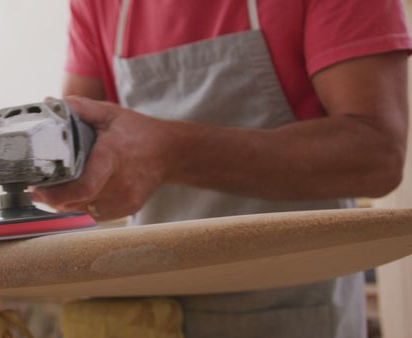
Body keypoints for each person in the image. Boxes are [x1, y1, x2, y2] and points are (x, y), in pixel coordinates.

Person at [33, 0, 411, 337]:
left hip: (292, 311)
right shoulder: (96, 5)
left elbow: (377, 153)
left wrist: (172, 152)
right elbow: (81, 147)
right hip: (153, 314)